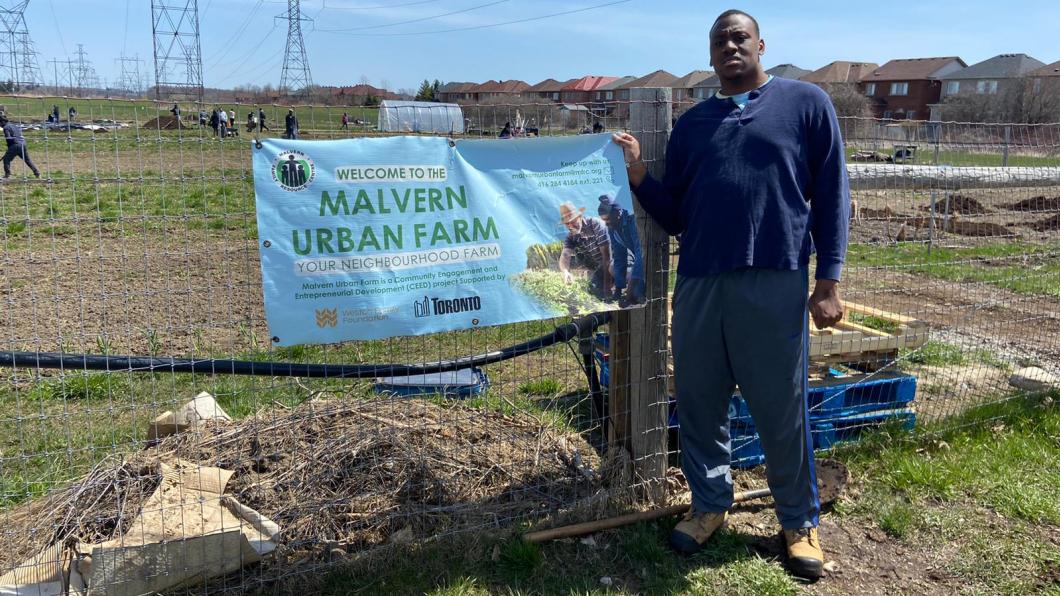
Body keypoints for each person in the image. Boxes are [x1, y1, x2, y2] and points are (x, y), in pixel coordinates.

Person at [611, 9, 848, 581]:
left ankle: (798, 521)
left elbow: (833, 192)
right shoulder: (693, 125)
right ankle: (709, 505)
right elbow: (677, 218)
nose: (730, 46)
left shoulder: (806, 103)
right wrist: (642, 178)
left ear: (761, 44)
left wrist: (829, 281)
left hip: (775, 279)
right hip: (700, 282)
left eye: (740, 36)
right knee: (699, 401)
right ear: (711, 54)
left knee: (779, 408)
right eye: (720, 40)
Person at [558, 202, 612, 300]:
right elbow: (565, 255)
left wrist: (607, 286)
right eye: (567, 223)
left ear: (580, 216)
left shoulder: (595, 224)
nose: (570, 226)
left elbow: (607, 256)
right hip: (602, 266)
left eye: (572, 221)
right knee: (593, 290)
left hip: (616, 260)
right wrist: (565, 271)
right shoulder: (571, 236)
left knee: (613, 274)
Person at [597, 195, 644, 306]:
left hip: (646, 260)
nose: (606, 223)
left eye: (608, 219)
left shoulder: (632, 221)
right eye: (604, 220)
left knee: (637, 294)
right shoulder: (612, 228)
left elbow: (641, 253)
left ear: (618, 212)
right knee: (613, 266)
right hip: (637, 263)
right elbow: (619, 257)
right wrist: (618, 291)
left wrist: (631, 287)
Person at [1, 115, 41, 179]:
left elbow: (8, 138)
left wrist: (9, 148)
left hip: (15, 144)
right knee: (27, 160)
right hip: (23, 144)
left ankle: (7, 175)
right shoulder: (14, 125)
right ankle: (37, 173)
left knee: (6, 159)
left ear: (2, 122)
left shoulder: (6, 128)